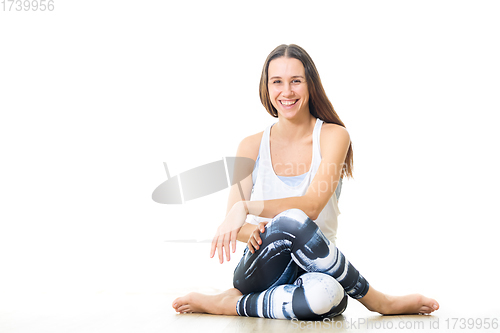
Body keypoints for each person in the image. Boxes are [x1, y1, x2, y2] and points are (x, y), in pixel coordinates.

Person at [172, 44, 439, 320]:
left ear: (310, 85)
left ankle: (230, 303)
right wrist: (262, 231)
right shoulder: (251, 146)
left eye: (295, 81)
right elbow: (234, 227)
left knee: (326, 299)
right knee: (291, 222)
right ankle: (380, 302)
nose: (286, 92)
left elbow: (312, 206)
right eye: (277, 82)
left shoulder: (334, 136)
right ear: (266, 87)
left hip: (319, 269)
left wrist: (247, 207)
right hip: (262, 268)